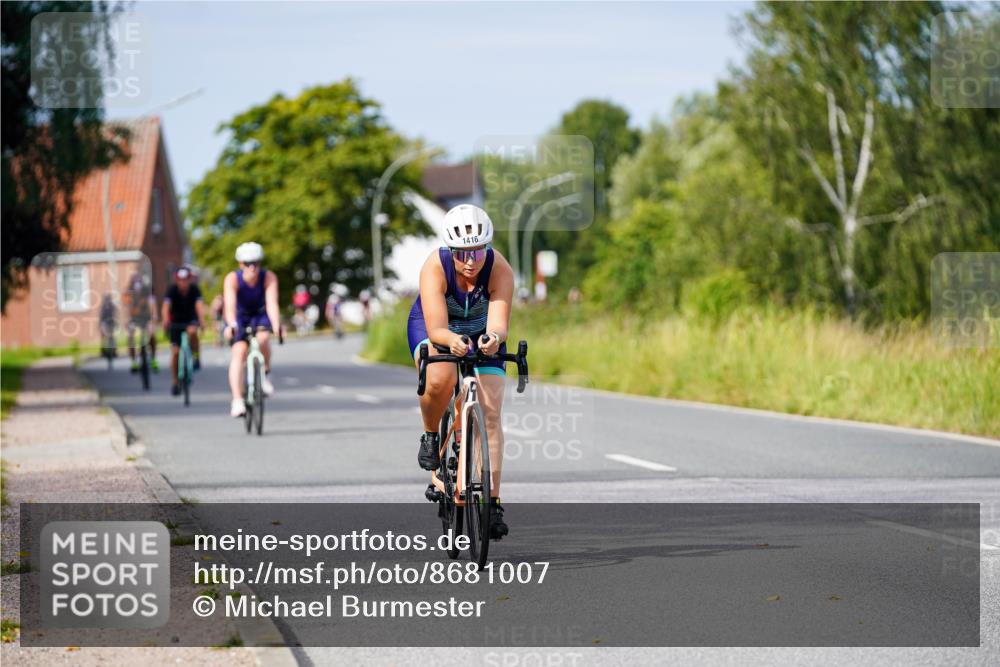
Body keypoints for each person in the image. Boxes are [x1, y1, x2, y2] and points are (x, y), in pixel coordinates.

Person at [407, 204, 514, 539]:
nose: (471, 261)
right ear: (450, 250)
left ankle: (493, 502)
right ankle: (431, 434)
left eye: (478, 251)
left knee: (492, 410)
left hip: (479, 333)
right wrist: (451, 341)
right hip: (435, 327)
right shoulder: (435, 267)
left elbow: (499, 326)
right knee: (441, 378)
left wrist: (493, 339)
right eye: (463, 253)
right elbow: (437, 328)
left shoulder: (499, 269)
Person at [222, 242, 281, 418]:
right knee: (239, 352)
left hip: (259, 314)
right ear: (241, 264)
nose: (253, 267)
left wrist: (276, 325)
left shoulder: (268, 277)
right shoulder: (232, 279)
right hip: (239, 316)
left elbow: (272, 303)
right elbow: (230, 305)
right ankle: (237, 400)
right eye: (248, 263)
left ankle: (266, 373)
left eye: (256, 263)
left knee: (263, 338)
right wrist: (231, 324)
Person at [161, 266, 204, 396]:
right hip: (176, 322)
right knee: (175, 353)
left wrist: (201, 320)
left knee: (192, 332)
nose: (183, 283)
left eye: (186, 280)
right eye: (180, 280)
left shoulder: (195, 290)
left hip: (190, 320)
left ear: (189, 279)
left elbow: (199, 306)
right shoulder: (171, 290)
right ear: (177, 280)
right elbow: (165, 307)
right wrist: (165, 321)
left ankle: (196, 356)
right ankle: (175, 382)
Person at [124, 271, 159, 373]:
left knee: (152, 335)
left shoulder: (147, 294)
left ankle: (153, 359)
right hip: (134, 320)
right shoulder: (129, 295)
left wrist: (154, 317)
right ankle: (134, 362)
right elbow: (126, 309)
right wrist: (127, 320)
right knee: (131, 337)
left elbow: (153, 306)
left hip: (147, 319)